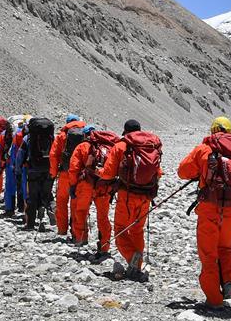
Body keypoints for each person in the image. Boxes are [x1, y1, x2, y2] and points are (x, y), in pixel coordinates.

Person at [177, 116, 231, 308]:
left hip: (210, 208)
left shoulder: (205, 148)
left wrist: (202, 172)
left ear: (213, 130)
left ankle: (214, 298)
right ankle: (229, 281)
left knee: (208, 253)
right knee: (225, 248)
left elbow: (182, 172)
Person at [98, 119, 162, 281]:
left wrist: (98, 171)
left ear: (125, 131)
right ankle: (137, 265)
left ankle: (132, 257)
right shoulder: (150, 146)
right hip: (146, 196)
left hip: (127, 195)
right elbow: (158, 172)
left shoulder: (122, 145)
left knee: (120, 229)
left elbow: (108, 173)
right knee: (137, 230)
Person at [69, 126, 119, 257]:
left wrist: (73, 186)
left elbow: (74, 168)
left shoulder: (83, 146)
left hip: (86, 184)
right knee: (103, 216)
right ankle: (104, 246)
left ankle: (80, 239)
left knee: (81, 212)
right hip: (104, 186)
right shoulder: (112, 147)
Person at [49, 114, 86, 238]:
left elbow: (53, 155)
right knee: (76, 204)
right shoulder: (85, 134)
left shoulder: (62, 136)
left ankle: (62, 229)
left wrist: (53, 173)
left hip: (65, 173)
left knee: (62, 202)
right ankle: (77, 233)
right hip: (80, 176)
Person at [17, 117, 55, 231]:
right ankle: (52, 211)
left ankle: (30, 224)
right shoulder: (52, 138)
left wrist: (18, 170)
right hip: (49, 170)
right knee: (48, 194)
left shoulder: (27, 138)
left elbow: (20, 155)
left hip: (33, 170)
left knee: (32, 197)